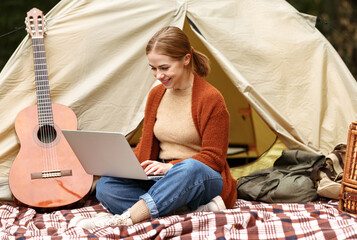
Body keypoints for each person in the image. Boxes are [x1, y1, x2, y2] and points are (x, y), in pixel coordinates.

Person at [69, 26, 237, 230]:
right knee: (106, 186)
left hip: (200, 177)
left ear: (186, 59)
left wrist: (172, 166)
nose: (158, 75)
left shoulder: (211, 99)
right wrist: (123, 163)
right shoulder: (156, 95)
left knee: (188, 169)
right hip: (161, 177)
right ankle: (182, 211)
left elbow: (215, 158)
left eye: (164, 68)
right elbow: (146, 145)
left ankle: (128, 218)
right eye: (153, 68)